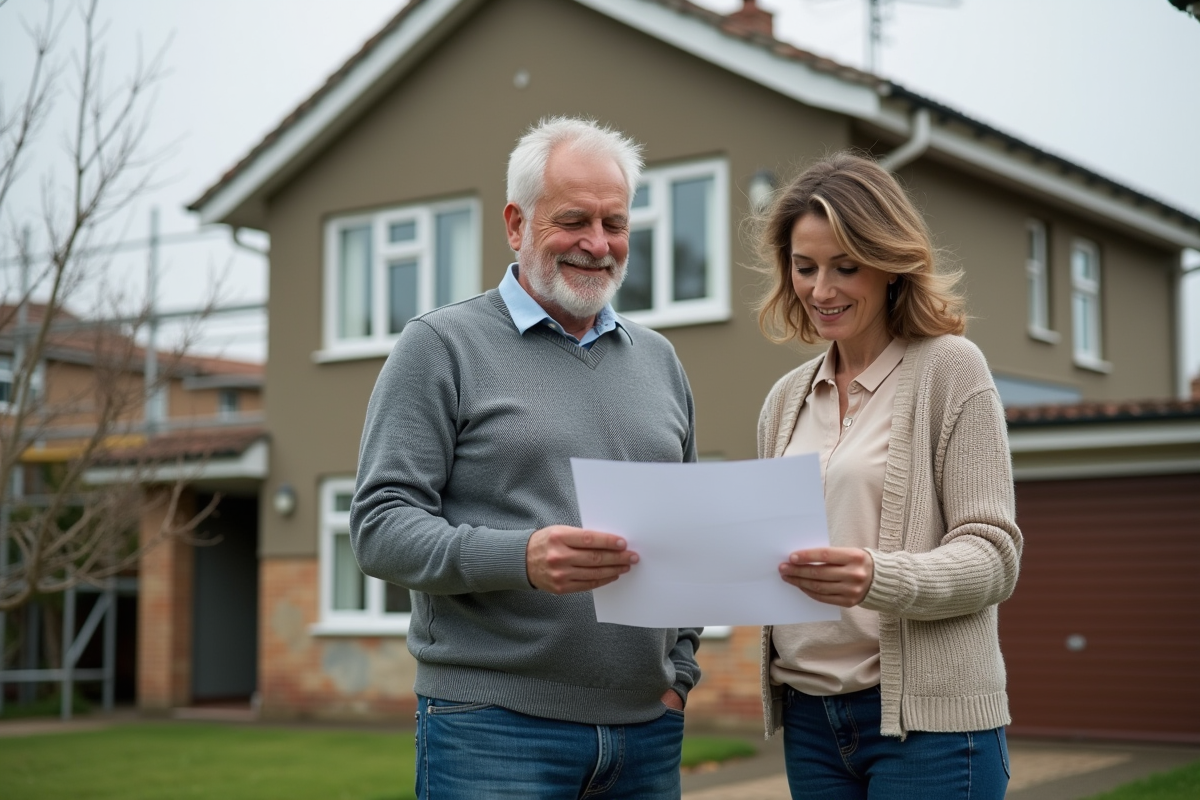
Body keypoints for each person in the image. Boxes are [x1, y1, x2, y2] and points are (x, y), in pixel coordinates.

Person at [350, 116, 701, 800]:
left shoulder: (661, 362)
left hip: (646, 733)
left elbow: (683, 535)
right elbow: (379, 527)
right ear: (516, 224)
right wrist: (523, 557)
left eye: (615, 223)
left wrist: (679, 674)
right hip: (491, 727)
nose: (598, 245)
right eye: (574, 220)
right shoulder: (439, 346)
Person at [753, 151, 1022, 799]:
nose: (821, 290)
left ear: (890, 264)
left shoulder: (950, 371)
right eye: (805, 267)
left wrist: (877, 576)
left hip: (927, 728)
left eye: (846, 266)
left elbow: (994, 557)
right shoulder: (783, 401)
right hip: (811, 720)